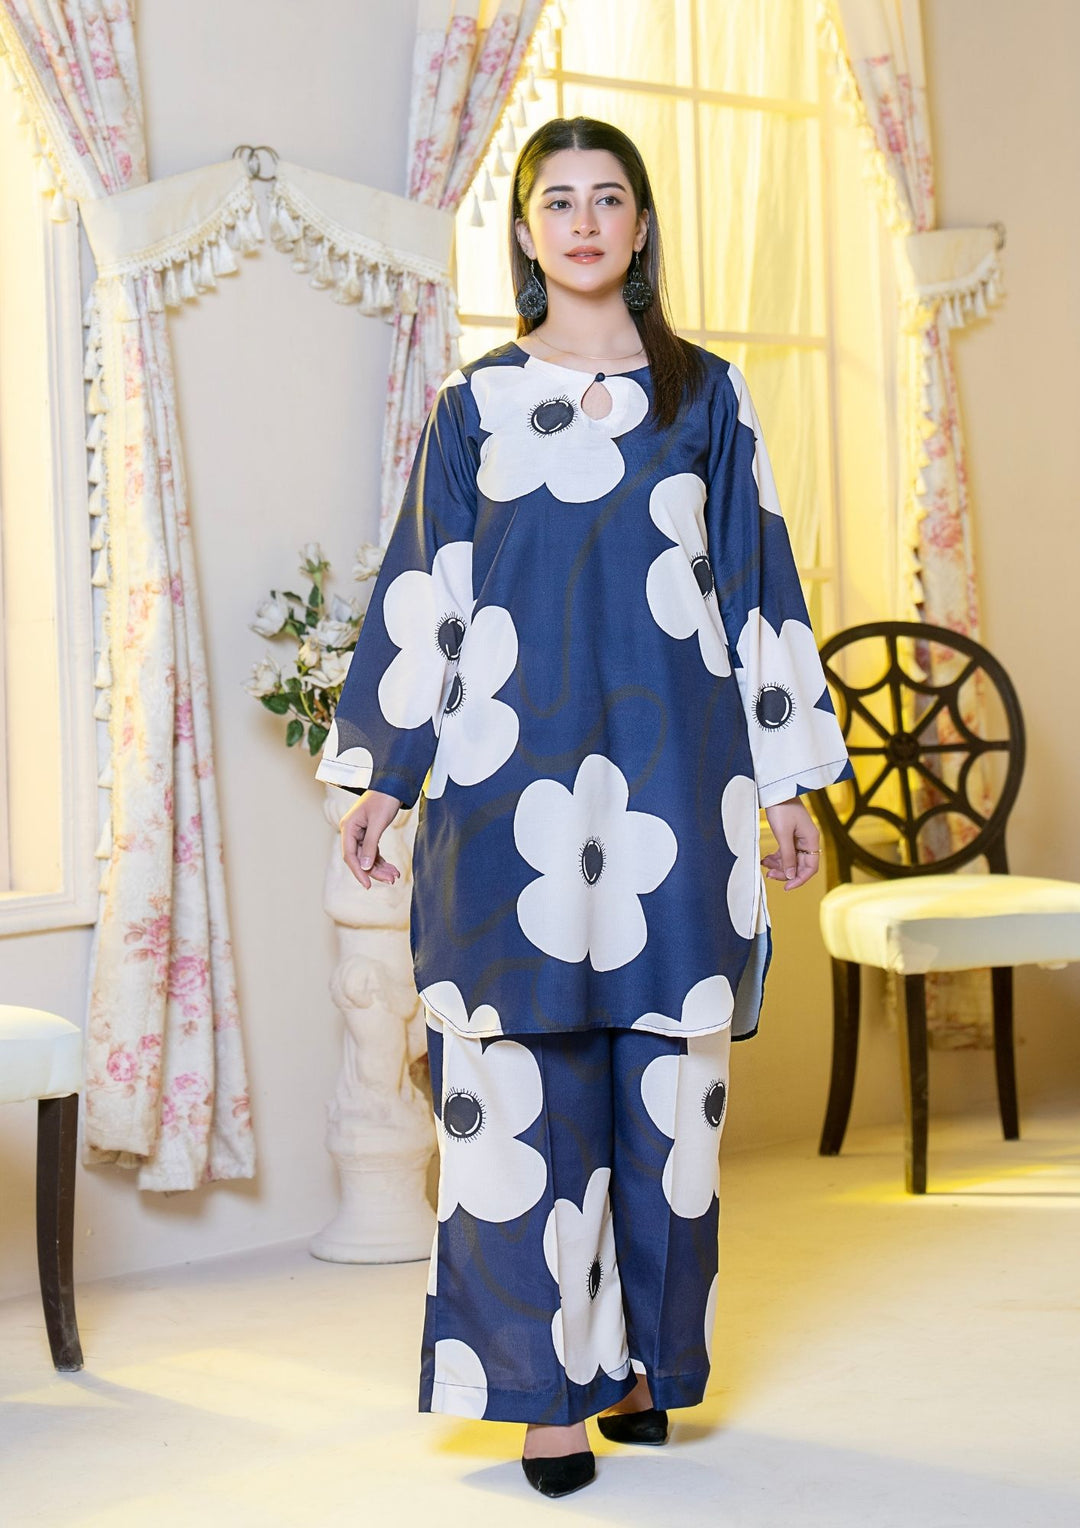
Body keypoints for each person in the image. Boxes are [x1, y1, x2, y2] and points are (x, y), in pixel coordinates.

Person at [317, 116, 853, 1499]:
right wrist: (383, 776)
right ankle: (540, 1395)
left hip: (684, 793)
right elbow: (427, 595)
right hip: (508, 801)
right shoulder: (475, 407)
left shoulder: (708, 400)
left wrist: (790, 782)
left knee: (670, 1106)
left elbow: (761, 591)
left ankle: (644, 1367)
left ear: (641, 225)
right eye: (558, 201)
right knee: (515, 1105)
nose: (585, 221)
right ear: (524, 231)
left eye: (609, 198)